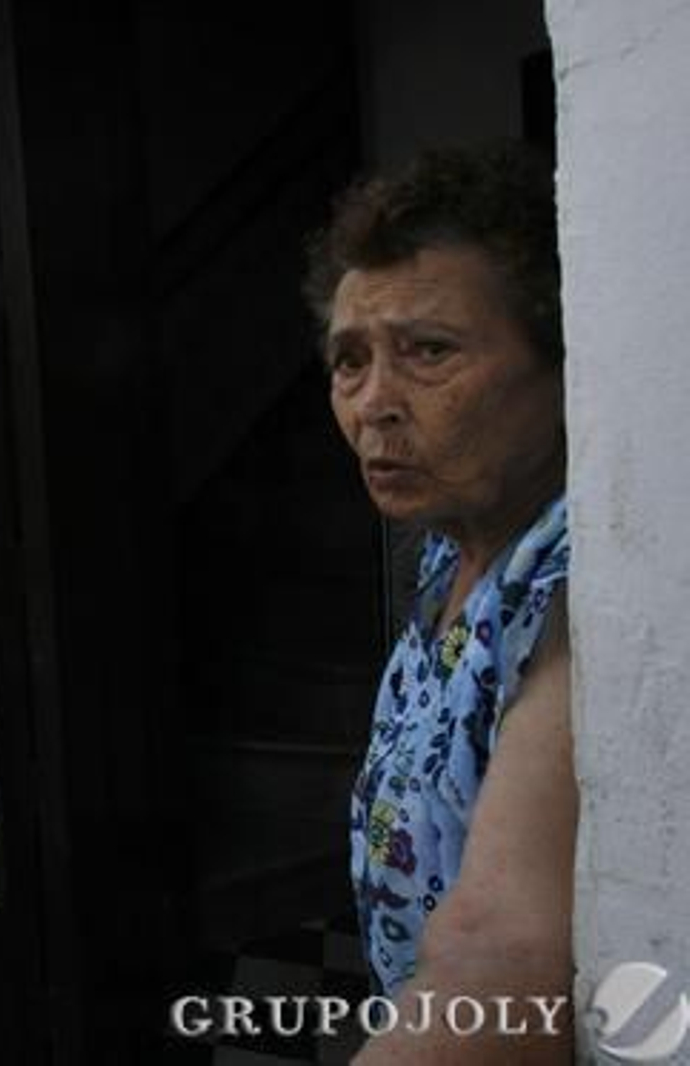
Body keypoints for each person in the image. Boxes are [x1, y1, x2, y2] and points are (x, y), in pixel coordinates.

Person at [304, 143, 573, 1061]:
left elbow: (497, 956)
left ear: (564, 361)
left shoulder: (574, 587)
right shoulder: (450, 548)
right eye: (349, 361)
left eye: (429, 352)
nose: (375, 404)